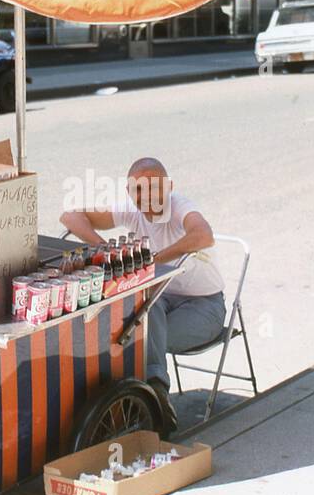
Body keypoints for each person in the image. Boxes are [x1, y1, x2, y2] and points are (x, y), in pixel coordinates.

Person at [60, 157, 226, 422]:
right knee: (133, 328)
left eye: (154, 187)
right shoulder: (130, 209)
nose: (146, 196)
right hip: (160, 300)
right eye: (138, 189)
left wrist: (155, 259)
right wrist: (108, 250)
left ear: (169, 187)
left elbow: (204, 236)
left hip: (204, 307)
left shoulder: (180, 207)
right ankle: (141, 399)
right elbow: (70, 216)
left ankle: (155, 398)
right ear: (128, 191)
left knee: (138, 341)